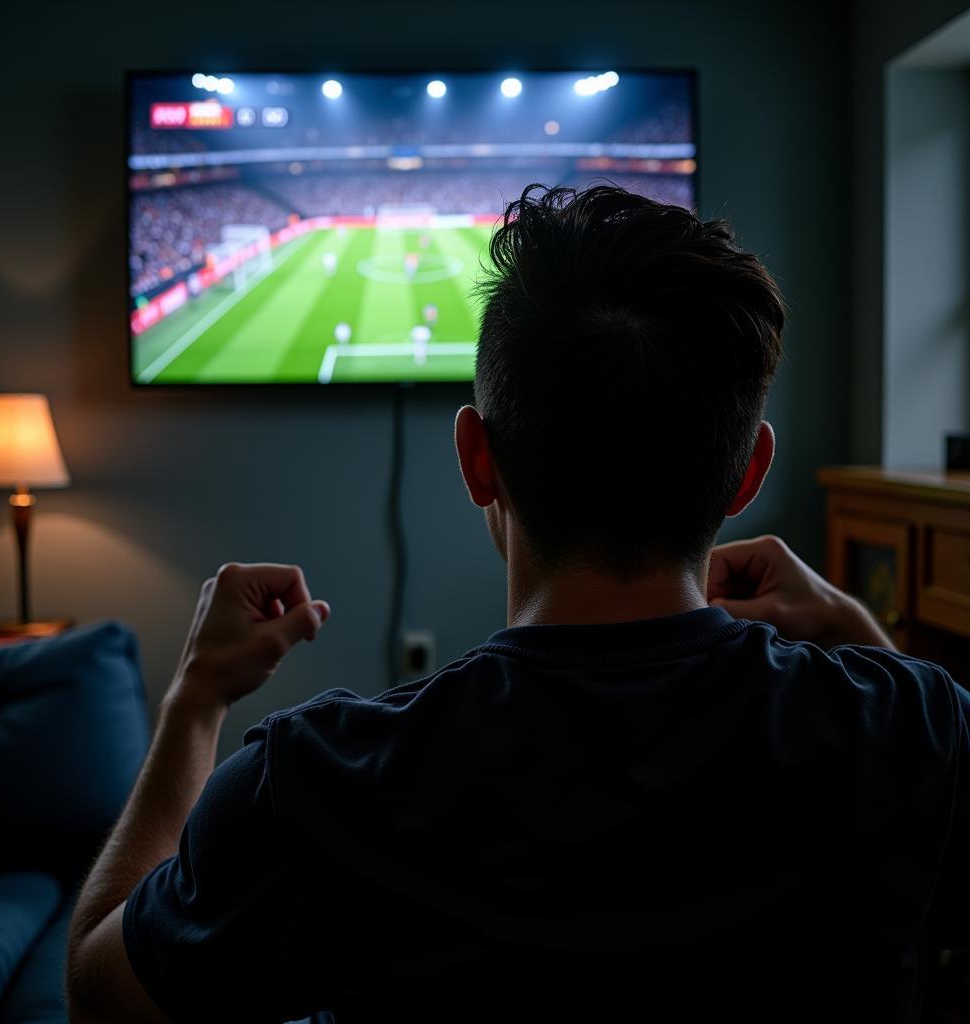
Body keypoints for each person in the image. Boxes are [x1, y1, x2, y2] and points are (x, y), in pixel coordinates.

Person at [66, 186, 969, 1023]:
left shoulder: (314, 782)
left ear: (475, 458)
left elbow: (99, 995)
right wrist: (859, 637)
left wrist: (195, 699)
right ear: (749, 471)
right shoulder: (915, 729)